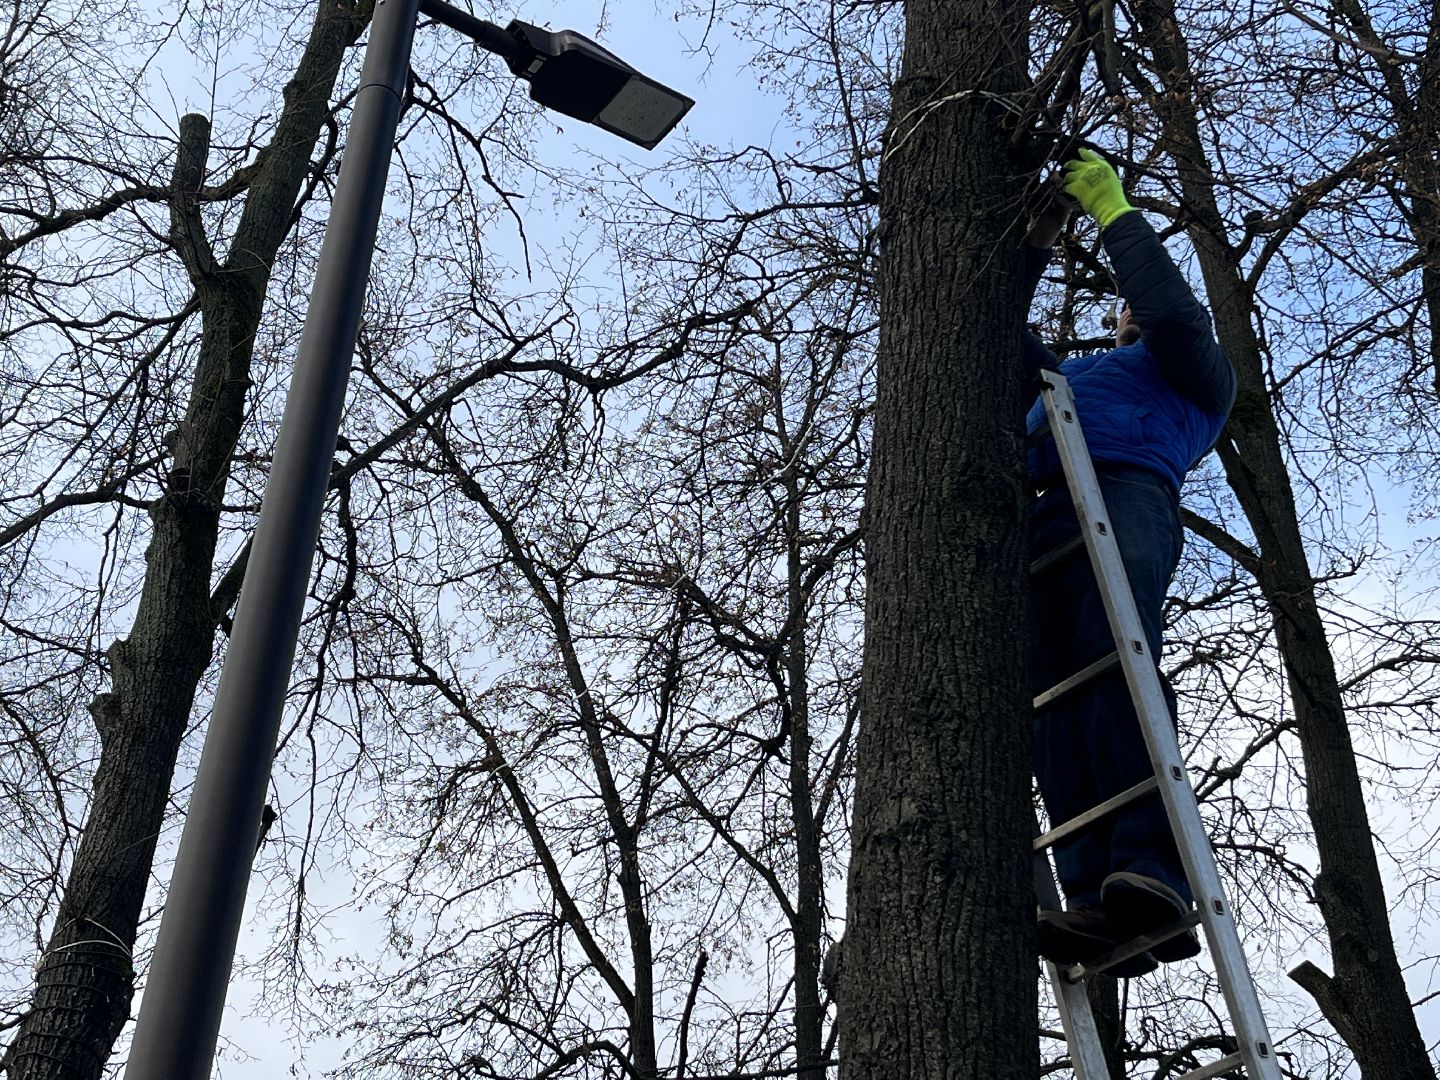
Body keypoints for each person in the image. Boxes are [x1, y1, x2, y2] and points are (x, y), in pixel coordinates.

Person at [1022, 149, 1236, 976]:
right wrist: (1038, 239)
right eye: (1125, 313)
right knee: (1050, 704)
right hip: (1045, 518)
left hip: (1125, 498)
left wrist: (1110, 207)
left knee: (1117, 665)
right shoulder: (1075, 375)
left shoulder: (1196, 376)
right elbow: (991, 340)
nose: (1133, 316)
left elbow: (1175, 317)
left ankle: (1154, 869)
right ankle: (1094, 891)